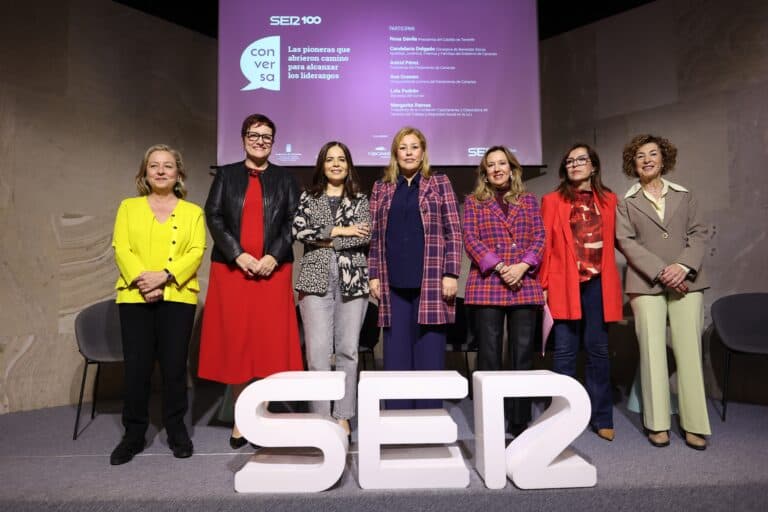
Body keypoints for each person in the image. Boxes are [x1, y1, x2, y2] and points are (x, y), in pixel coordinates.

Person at [198, 113, 303, 448]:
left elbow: (293, 220)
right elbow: (212, 215)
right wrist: (237, 254)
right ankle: (243, 417)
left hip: (274, 271)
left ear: (273, 142)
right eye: (254, 134)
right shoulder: (226, 175)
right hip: (233, 271)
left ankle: (267, 411)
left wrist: (273, 255)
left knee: (270, 343)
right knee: (238, 342)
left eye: (267, 136)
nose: (260, 140)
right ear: (243, 138)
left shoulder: (286, 179)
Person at [110, 144, 206, 465]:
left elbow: (196, 251)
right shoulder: (128, 207)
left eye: (168, 165)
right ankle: (133, 434)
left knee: (174, 368)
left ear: (178, 172)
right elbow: (121, 247)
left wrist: (164, 277)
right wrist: (144, 281)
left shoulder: (193, 212)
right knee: (137, 369)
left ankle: (177, 431)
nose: (161, 170)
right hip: (134, 295)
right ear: (144, 173)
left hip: (177, 296)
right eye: (154, 166)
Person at [616, 134, 711, 450]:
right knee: (652, 354)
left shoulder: (686, 195)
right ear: (634, 163)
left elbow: (698, 234)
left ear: (663, 159)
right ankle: (657, 424)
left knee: (689, 353)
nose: (646, 159)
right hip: (646, 284)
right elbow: (626, 242)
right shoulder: (626, 202)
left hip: (688, 281)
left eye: (652, 154)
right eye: (640, 155)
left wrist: (682, 267)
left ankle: (695, 424)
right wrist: (661, 271)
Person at [368, 126, 462, 409]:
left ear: (423, 152)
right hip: (392, 280)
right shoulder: (381, 187)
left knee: (429, 352)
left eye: (414, 147)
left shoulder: (439, 182)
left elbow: (453, 231)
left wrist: (451, 273)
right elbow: (373, 235)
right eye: (403, 147)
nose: (409, 152)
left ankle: (428, 415)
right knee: (395, 353)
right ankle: (397, 417)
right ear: (395, 153)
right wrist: (373, 274)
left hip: (431, 280)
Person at [540, 143, 623, 442]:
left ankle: (602, 417)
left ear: (594, 166)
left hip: (599, 283)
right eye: (569, 161)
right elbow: (546, 246)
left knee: (598, 350)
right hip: (565, 283)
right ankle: (561, 416)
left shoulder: (610, 200)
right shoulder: (551, 201)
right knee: (564, 352)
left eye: (581, 160)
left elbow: (623, 240)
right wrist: (544, 286)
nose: (575, 164)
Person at [462, 145, 545, 435]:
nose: (497, 169)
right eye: (491, 165)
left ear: (512, 168)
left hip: (524, 281)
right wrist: (500, 267)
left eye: (502, 163)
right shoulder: (473, 202)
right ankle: (491, 418)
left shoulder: (529, 200)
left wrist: (522, 266)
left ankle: (519, 419)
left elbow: (540, 237)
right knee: (489, 355)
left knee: (522, 354)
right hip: (488, 283)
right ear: (484, 172)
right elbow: (470, 240)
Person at [292, 141, 370, 437]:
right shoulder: (308, 198)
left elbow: (362, 238)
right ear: (322, 165)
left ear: (348, 164)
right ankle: (321, 416)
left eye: (341, 159)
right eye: (329, 159)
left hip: (353, 280)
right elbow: (298, 231)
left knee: (349, 351)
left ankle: (343, 414)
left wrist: (324, 237)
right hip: (314, 279)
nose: (336, 164)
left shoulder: (361, 199)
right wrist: (342, 230)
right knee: (317, 354)